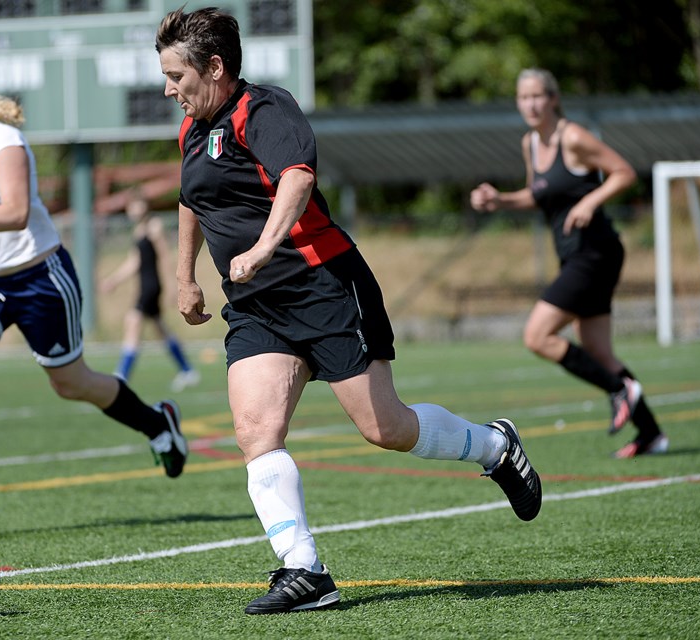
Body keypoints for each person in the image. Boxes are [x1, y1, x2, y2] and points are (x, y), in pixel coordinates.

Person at [155, 7, 542, 615]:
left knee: (385, 428)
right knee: (256, 431)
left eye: (177, 75)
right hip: (258, 308)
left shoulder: (265, 110)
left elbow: (297, 180)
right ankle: (305, 570)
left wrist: (260, 248)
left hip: (324, 286)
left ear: (216, 67)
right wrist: (184, 278)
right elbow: (189, 200)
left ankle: (493, 447)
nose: (169, 88)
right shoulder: (192, 130)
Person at [0, 69, 188, 515]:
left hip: (40, 278)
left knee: (71, 384)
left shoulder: (4, 143)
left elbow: (16, 212)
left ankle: (158, 424)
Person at [470, 68, 668, 459]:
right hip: (575, 254)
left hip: (595, 252)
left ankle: (619, 390)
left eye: (537, 96)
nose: (530, 104)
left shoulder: (572, 137)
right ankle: (651, 433)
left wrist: (590, 200)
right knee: (598, 350)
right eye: (523, 97)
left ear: (553, 98)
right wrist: (500, 200)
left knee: (537, 336)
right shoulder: (531, 143)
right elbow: (537, 195)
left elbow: (624, 172)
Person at [99, 194, 201, 392]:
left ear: (145, 206)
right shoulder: (139, 231)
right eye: (130, 206)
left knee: (132, 321)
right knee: (161, 329)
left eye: (136, 205)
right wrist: (113, 281)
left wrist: (174, 285)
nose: (133, 210)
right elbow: (134, 262)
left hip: (152, 286)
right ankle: (188, 370)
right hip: (145, 284)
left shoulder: (154, 226)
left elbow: (164, 256)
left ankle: (121, 376)